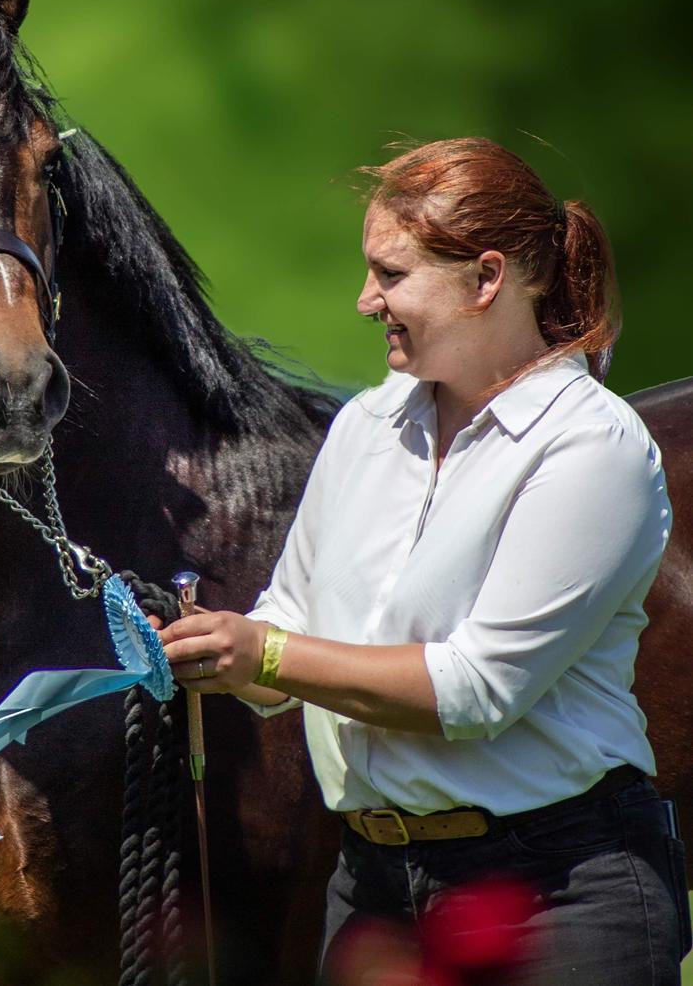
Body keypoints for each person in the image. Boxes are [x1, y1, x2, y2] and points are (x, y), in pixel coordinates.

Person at [158, 138, 685, 984]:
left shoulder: (593, 445)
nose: (365, 300)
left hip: (557, 896)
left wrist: (264, 653)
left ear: (486, 280)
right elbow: (286, 630)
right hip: (370, 889)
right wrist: (205, 649)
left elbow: (477, 692)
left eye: (391, 274)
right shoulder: (365, 427)